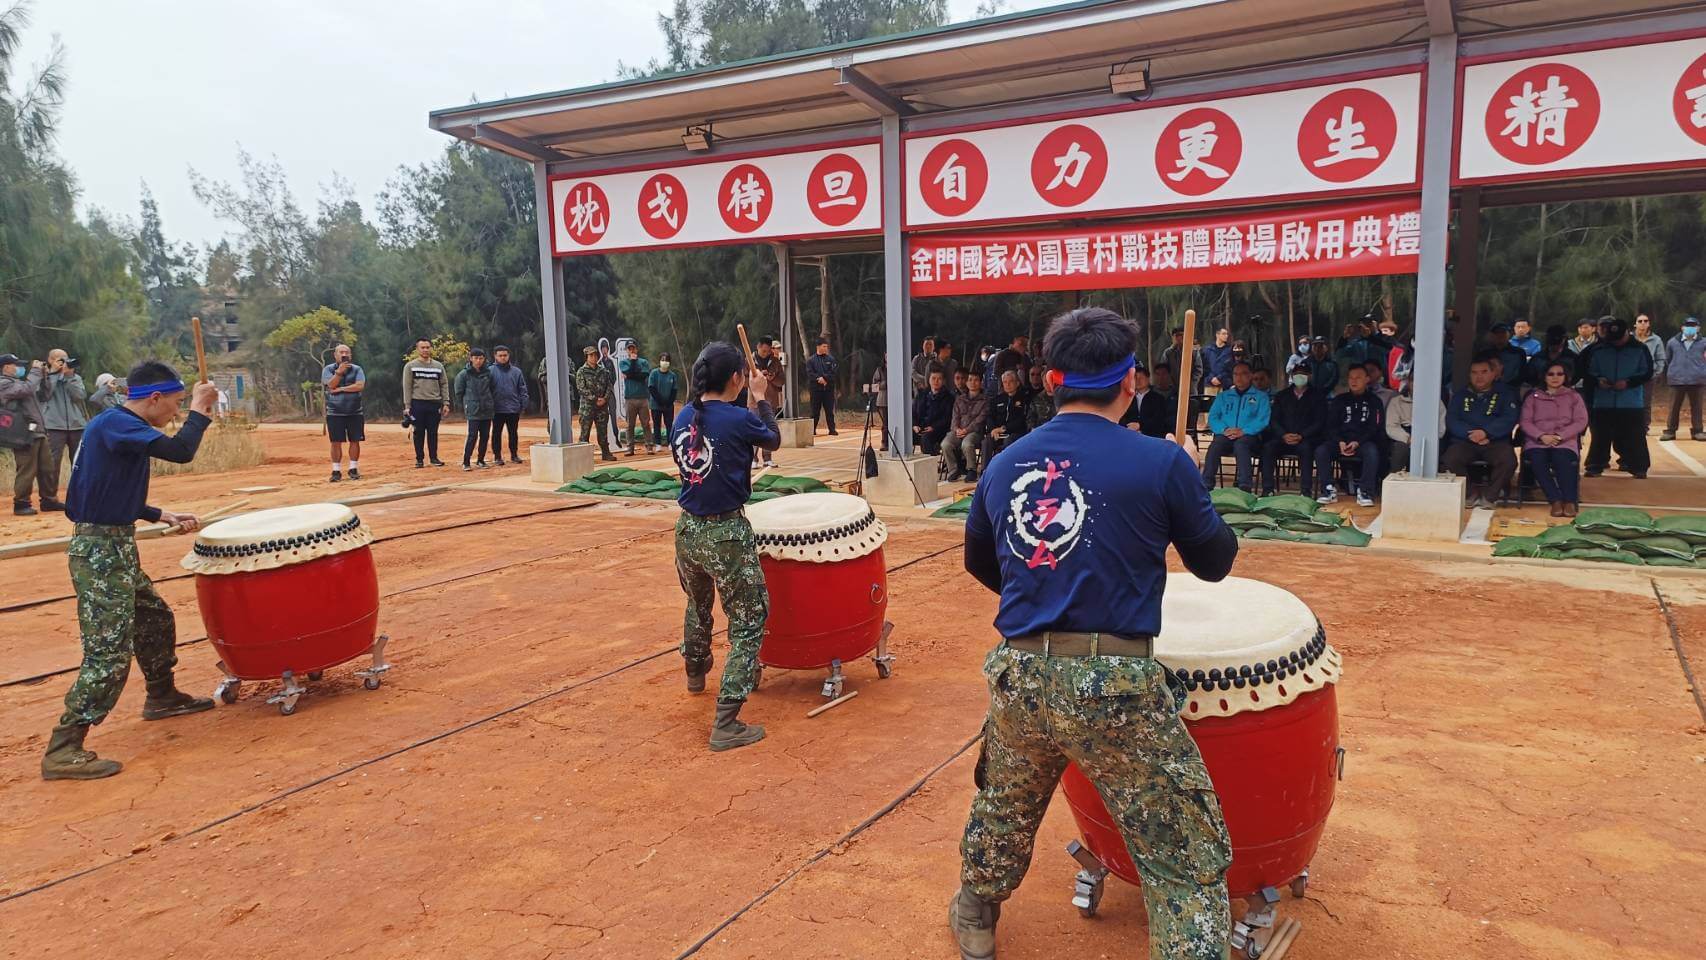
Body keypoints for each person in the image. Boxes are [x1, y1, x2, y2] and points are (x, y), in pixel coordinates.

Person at [951, 306, 1237, 960]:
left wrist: (1044, 602)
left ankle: (974, 913)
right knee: (1179, 848)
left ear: (1053, 380)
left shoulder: (1005, 464)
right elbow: (1215, 561)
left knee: (1005, 806)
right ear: (1130, 380)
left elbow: (981, 562)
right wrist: (1191, 475)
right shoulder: (1159, 463)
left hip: (1022, 671)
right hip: (1116, 685)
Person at [41, 361, 218, 780]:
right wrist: (201, 408)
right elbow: (182, 451)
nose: (176, 412)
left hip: (114, 545)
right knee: (109, 653)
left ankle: (162, 696)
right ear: (154, 398)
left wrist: (159, 514)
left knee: (154, 617)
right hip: (101, 552)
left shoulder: (116, 426)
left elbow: (105, 489)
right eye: (175, 403)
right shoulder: (118, 423)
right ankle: (64, 747)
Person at [669, 341, 781, 752]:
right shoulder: (738, 418)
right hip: (726, 534)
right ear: (736, 378)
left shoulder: (684, 416)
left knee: (698, 603)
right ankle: (726, 721)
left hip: (687, 531)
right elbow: (772, 439)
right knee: (749, 620)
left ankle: (695, 671)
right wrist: (761, 398)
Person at [1442, 356, 1521, 507]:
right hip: (1466, 441)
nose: (1479, 376)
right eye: (1474, 372)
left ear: (1493, 374)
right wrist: (1471, 434)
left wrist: (1486, 432)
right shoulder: (1460, 395)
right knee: (1450, 458)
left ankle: (1491, 496)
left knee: (1508, 460)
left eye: (1484, 372)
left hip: (1495, 441)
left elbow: (1509, 418)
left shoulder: (1505, 394)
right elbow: (1452, 420)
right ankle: (1469, 493)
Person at [1583, 315, 1653, 479]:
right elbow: (1588, 371)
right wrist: (1598, 380)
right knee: (1600, 436)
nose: (1616, 342)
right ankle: (1595, 465)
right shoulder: (1598, 349)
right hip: (1603, 400)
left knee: (1635, 436)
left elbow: (1647, 372)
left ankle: (1639, 467)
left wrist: (1629, 382)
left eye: (1619, 338)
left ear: (1627, 333)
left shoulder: (1640, 349)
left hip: (1631, 401)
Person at [1522, 360, 1590, 517]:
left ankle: (1570, 501)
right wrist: (1541, 436)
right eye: (1550, 374)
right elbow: (1525, 421)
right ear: (1544, 376)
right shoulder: (1533, 397)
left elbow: (1581, 421)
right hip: (1538, 442)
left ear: (1566, 377)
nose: (1555, 377)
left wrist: (1560, 436)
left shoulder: (1574, 396)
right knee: (1537, 461)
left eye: (1560, 374)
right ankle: (1555, 500)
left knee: (1563, 460)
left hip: (1564, 441)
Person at [1316, 365, 1384, 507]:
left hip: (1363, 442)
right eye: (1351, 378)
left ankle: (1365, 491)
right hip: (1340, 442)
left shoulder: (1374, 401)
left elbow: (1375, 427)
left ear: (1367, 379)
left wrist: (1358, 442)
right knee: (1321, 451)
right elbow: (1331, 425)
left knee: (1372, 451)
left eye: (1358, 378)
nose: (1354, 381)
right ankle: (1328, 489)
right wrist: (1339, 441)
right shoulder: (1339, 400)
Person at [1200, 361, 1270, 492]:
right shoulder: (1223, 396)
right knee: (1215, 445)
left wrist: (1244, 431)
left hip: (1250, 436)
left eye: (1243, 374)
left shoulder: (1261, 397)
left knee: (1241, 445)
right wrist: (1224, 430)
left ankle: (1244, 486)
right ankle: (1206, 485)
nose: (1239, 377)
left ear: (1250, 375)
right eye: (1235, 374)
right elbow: (1213, 417)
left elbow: (1263, 419)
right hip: (1226, 434)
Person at [1262, 368, 1327, 497]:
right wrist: (1283, 435)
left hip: (1305, 439)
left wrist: (1302, 435)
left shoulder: (1318, 396)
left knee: (1307, 450)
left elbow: (1319, 422)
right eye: (1296, 374)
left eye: (1303, 374)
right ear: (1292, 376)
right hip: (1283, 438)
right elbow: (1274, 420)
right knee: (1268, 448)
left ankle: (1305, 491)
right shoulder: (1282, 395)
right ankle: (1267, 490)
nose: (1299, 377)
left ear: (1309, 376)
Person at [1, 354, 50, 515]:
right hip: (22, 433)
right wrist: (35, 371)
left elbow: (45, 396)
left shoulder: (23, 382)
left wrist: (44, 377)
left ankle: (49, 500)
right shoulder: (3, 384)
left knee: (47, 468)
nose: (20, 368)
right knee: (27, 469)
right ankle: (21, 503)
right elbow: (26, 390)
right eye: (16, 365)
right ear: (6, 367)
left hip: (37, 430)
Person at [38, 349, 87, 510]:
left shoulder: (74, 377)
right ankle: (49, 500)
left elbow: (80, 396)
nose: (64, 362)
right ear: (50, 360)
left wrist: (68, 377)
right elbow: (44, 395)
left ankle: (82, 496)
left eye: (66, 359)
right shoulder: (44, 377)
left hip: (76, 424)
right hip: (54, 425)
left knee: (80, 462)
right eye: (60, 359)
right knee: (51, 464)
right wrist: (53, 374)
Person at [1383, 363, 1445, 473]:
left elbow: (1441, 428)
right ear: (1408, 382)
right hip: (1403, 436)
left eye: (1421, 380)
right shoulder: (1396, 401)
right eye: (1413, 380)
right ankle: (1395, 481)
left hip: (1429, 436)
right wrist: (1408, 438)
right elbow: (1391, 427)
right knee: (1400, 450)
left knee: (1433, 450)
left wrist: (1428, 438)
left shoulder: (1436, 402)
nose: (1417, 383)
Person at [403, 338, 450, 468]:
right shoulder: (410, 366)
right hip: (417, 403)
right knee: (418, 432)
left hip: (434, 403)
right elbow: (407, 387)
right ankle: (419, 459)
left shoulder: (438, 366)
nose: (425, 350)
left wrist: (446, 402)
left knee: (433, 432)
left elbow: (444, 384)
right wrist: (407, 406)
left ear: (431, 348)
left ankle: (434, 458)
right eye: (422, 347)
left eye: (428, 347)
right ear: (417, 349)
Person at [321, 343, 366, 482]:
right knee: (335, 442)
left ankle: (353, 468)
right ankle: (336, 470)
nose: (344, 354)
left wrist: (341, 389)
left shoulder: (357, 369)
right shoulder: (328, 369)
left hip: (355, 411)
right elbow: (330, 385)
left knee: (355, 440)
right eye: (341, 352)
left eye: (347, 352)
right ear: (335, 355)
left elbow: (360, 386)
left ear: (350, 355)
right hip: (335, 411)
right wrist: (339, 372)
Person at [1662, 317, 1705, 441]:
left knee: (1697, 407)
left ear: (1698, 328)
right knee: (1674, 407)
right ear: (1682, 328)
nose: (1690, 328)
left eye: (1693, 325)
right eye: (1687, 325)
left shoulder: (1704, 343)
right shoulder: (1672, 342)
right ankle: (1670, 431)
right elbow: (1668, 359)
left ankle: (1697, 431)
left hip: (1697, 379)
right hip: (1677, 379)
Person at [454, 348, 496, 470]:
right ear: (471, 358)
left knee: (485, 436)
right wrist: (466, 405)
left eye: (481, 358)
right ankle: (466, 461)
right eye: (476, 358)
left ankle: (481, 460)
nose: (478, 361)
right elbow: (459, 392)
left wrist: (490, 402)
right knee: (472, 436)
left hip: (486, 409)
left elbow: (492, 389)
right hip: (473, 409)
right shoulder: (464, 374)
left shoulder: (488, 373)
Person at [489, 345, 529, 466]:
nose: (503, 358)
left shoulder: (516, 372)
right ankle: (497, 456)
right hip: (496, 409)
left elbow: (522, 389)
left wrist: (523, 404)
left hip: (513, 408)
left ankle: (514, 454)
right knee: (496, 433)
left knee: (513, 433)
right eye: (500, 355)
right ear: (495, 356)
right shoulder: (490, 371)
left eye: (505, 355)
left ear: (508, 356)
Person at [945, 371, 989, 481]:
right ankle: (953, 470)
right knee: (946, 444)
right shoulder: (960, 399)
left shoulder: (985, 400)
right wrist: (956, 429)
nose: (972, 382)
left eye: (976, 380)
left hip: (975, 432)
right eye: (970, 380)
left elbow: (980, 420)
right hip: (958, 431)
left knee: (967, 443)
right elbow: (955, 417)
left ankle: (971, 470)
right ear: (967, 383)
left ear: (981, 383)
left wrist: (966, 430)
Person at [979, 370, 1029, 468]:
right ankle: (985, 471)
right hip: (997, 432)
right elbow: (990, 416)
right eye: (1005, 382)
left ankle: (1005, 469)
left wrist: (1004, 428)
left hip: (1015, 433)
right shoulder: (997, 399)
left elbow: (1022, 419)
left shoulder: (1024, 399)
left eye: (1011, 381)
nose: (1008, 384)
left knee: (1008, 441)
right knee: (986, 441)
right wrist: (993, 429)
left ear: (1017, 383)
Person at [574, 346, 615, 462]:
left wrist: (605, 399)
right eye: (591, 355)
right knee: (585, 433)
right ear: (586, 357)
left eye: (595, 355)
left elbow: (609, 386)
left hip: (602, 407)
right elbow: (581, 388)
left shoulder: (603, 371)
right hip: (587, 407)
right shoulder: (581, 371)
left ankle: (606, 453)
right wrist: (595, 399)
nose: (594, 357)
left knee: (603, 431)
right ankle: (583, 457)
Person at [1119, 361, 1171, 439]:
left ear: (1148, 379)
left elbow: (1159, 419)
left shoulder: (1158, 398)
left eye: (1141, 378)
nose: (1138, 381)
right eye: (1136, 378)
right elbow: (1122, 416)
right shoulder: (1128, 397)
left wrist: (1140, 426)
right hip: (1130, 434)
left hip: (1152, 436)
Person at [913, 368, 954, 458]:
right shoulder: (921, 395)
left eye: (939, 379)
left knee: (926, 438)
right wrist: (915, 425)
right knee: (904, 435)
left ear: (943, 381)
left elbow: (947, 418)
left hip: (938, 430)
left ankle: (930, 462)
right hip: (920, 428)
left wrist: (934, 427)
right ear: (929, 379)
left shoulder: (949, 397)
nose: (936, 381)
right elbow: (913, 413)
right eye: (933, 378)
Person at [1634, 315, 1665, 434]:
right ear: (1635, 324)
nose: (1643, 323)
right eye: (1640, 321)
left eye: (1645, 321)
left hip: (1648, 377)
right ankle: (1630, 426)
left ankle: (1644, 427)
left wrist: (1656, 373)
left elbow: (1661, 358)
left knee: (1645, 403)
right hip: (1631, 377)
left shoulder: (1656, 340)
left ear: (1649, 324)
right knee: (1630, 402)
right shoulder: (1629, 339)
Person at [650, 351, 682, 460]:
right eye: (663, 360)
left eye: (667, 360)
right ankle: (658, 444)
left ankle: (670, 442)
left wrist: (668, 402)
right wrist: (660, 400)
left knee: (669, 424)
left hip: (668, 405)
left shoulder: (672, 375)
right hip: (656, 405)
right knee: (657, 424)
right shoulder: (654, 373)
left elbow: (674, 390)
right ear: (659, 361)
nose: (665, 362)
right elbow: (651, 388)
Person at [806, 338, 838, 435]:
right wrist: (818, 378)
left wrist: (825, 378)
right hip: (816, 390)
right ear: (818, 347)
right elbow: (810, 373)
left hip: (828, 389)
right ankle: (812, 430)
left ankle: (832, 429)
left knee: (829, 411)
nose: (826, 348)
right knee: (814, 411)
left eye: (826, 347)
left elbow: (833, 372)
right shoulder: (811, 360)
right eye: (824, 346)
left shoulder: (831, 359)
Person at [1487, 323, 1528, 391]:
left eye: (1503, 332)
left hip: (1512, 390)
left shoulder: (1519, 353)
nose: (1500, 335)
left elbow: (1522, 374)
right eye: (1497, 333)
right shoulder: (1486, 354)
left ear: (1510, 335)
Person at [1200, 327, 1234, 397]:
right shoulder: (1207, 350)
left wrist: (1220, 377)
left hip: (1224, 384)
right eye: (1224, 334)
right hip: (1209, 384)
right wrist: (1211, 378)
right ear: (1217, 335)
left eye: (1227, 334)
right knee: (1209, 403)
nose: (1226, 336)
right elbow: (1204, 367)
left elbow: (1230, 368)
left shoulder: (1230, 351)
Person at [1024, 364, 1055, 430]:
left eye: (1051, 380)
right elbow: (1031, 417)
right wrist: (1033, 429)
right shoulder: (1036, 399)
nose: (1048, 383)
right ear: (1043, 382)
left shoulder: (1062, 398)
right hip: (1041, 431)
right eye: (1046, 381)